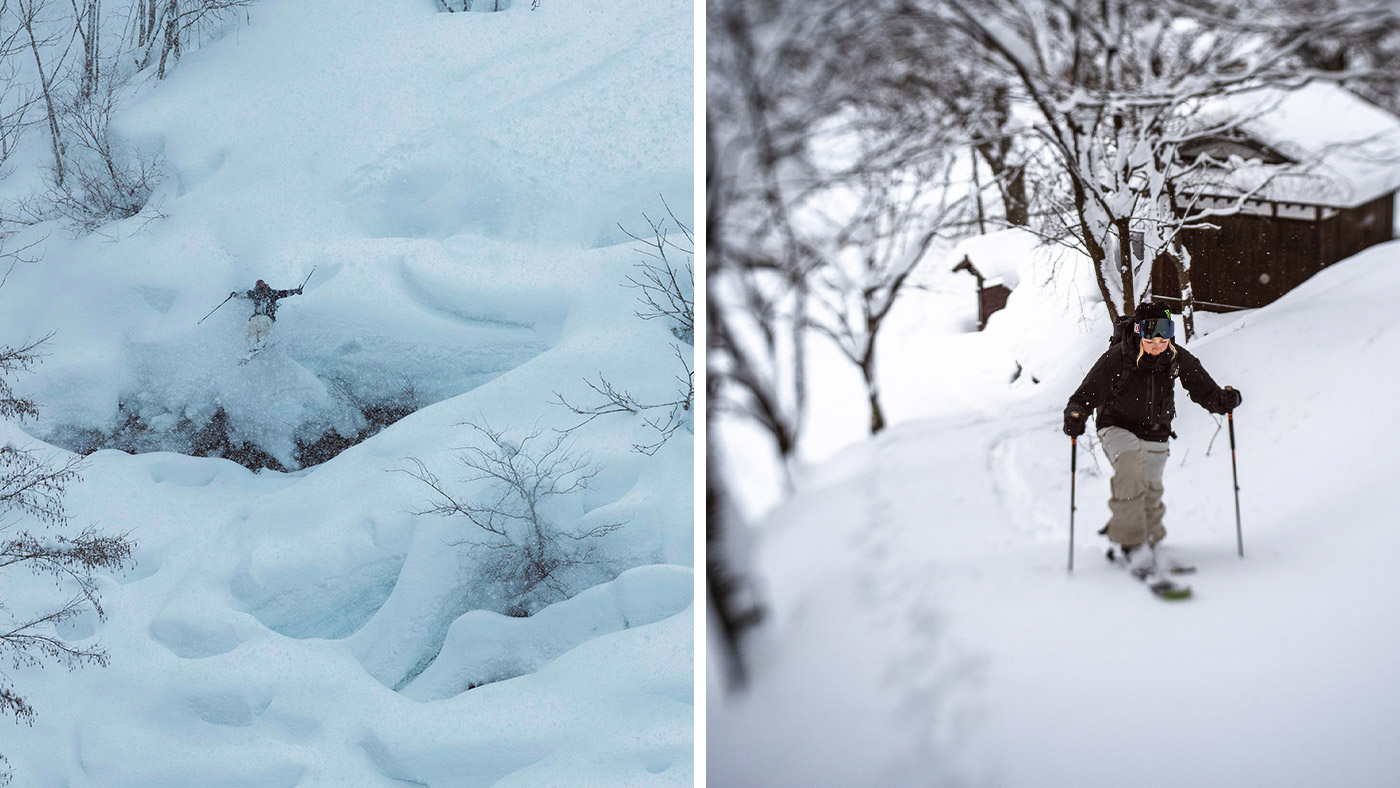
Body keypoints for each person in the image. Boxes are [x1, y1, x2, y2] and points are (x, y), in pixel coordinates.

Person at [1063, 302, 1242, 572]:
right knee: (1131, 468)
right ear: (1138, 333)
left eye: (1164, 338)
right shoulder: (1118, 358)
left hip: (1156, 429)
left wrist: (1223, 400)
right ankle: (1130, 543)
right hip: (1116, 425)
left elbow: (1205, 390)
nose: (1158, 345)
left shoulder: (1176, 357)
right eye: (1151, 339)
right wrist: (1076, 415)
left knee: (1151, 487)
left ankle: (1150, 540)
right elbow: (1084, 396)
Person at [232, 279, 303, 351]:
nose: (260, 292)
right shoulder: (254, 294)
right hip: (256, 316)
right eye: (258, 288)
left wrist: (295, 291)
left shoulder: (272, 293)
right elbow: (244, 294)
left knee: (263, 322)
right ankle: (252, 344)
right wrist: (236, 295)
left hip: (268, 316)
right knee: (252, 325)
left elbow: (284, 293)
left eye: (262, 287)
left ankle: (261, 343)